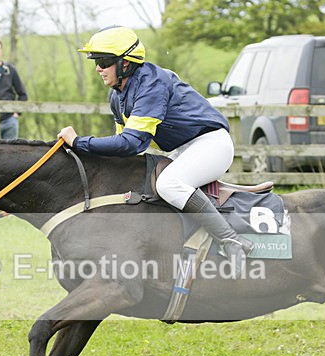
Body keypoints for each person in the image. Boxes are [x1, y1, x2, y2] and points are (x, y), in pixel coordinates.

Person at [57, 26, 251, 278]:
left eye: (103, 62)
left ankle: (231, 241)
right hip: (183, 149)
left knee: (168, 184)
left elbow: (131, 143)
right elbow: (122, 150)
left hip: (211, 145)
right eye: (96, 62)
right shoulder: (117, 95)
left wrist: (80, 142)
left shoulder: (152, 84)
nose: (98, 69)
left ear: (126, 64)